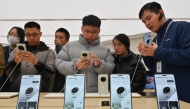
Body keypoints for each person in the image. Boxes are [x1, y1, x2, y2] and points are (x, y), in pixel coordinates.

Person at [138, 2, 190, 103]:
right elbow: (155, 68)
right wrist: (146, 55)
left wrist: (158, 52)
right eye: (144, 22)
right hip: (163, 96)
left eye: (149, 18)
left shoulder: (182, 27)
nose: (147, 24)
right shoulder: (155, 40)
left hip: (184, 96)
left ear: (161, 12)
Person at [55, 14, 115, 92]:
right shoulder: (69, 47)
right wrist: (75, 66)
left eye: (94, 32)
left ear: (99, 31)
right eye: (87, 31)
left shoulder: (105, 50)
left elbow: (110, 68)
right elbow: (59, 63)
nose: (90, 35)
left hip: (97, 94)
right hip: (73, 93)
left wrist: (99, 65)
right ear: (82, 29)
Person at [5, 21, 56, 92]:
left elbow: (51, 73)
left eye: (35, 34)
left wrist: (37, 63)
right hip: (17, 90)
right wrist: (14, 62)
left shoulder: (48, 51)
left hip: (39, 91)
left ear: (40, 34)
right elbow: (8, 73)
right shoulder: (16, 50)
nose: (31, 38)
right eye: (28, 35)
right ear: (25, 35)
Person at [0, 27, 25, 91]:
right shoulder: (2, 49)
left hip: (18, 82)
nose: (12, 36)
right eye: (11, 34)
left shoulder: (23, 51)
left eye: (16, 35)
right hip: (3, 82)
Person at [52, 28, 70, 92]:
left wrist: (59, 46)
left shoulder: (70, 52)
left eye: (61, 38)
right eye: (56, 37)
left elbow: (64, 57)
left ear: (67, 40)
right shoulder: (51, 52)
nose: (57, 40)